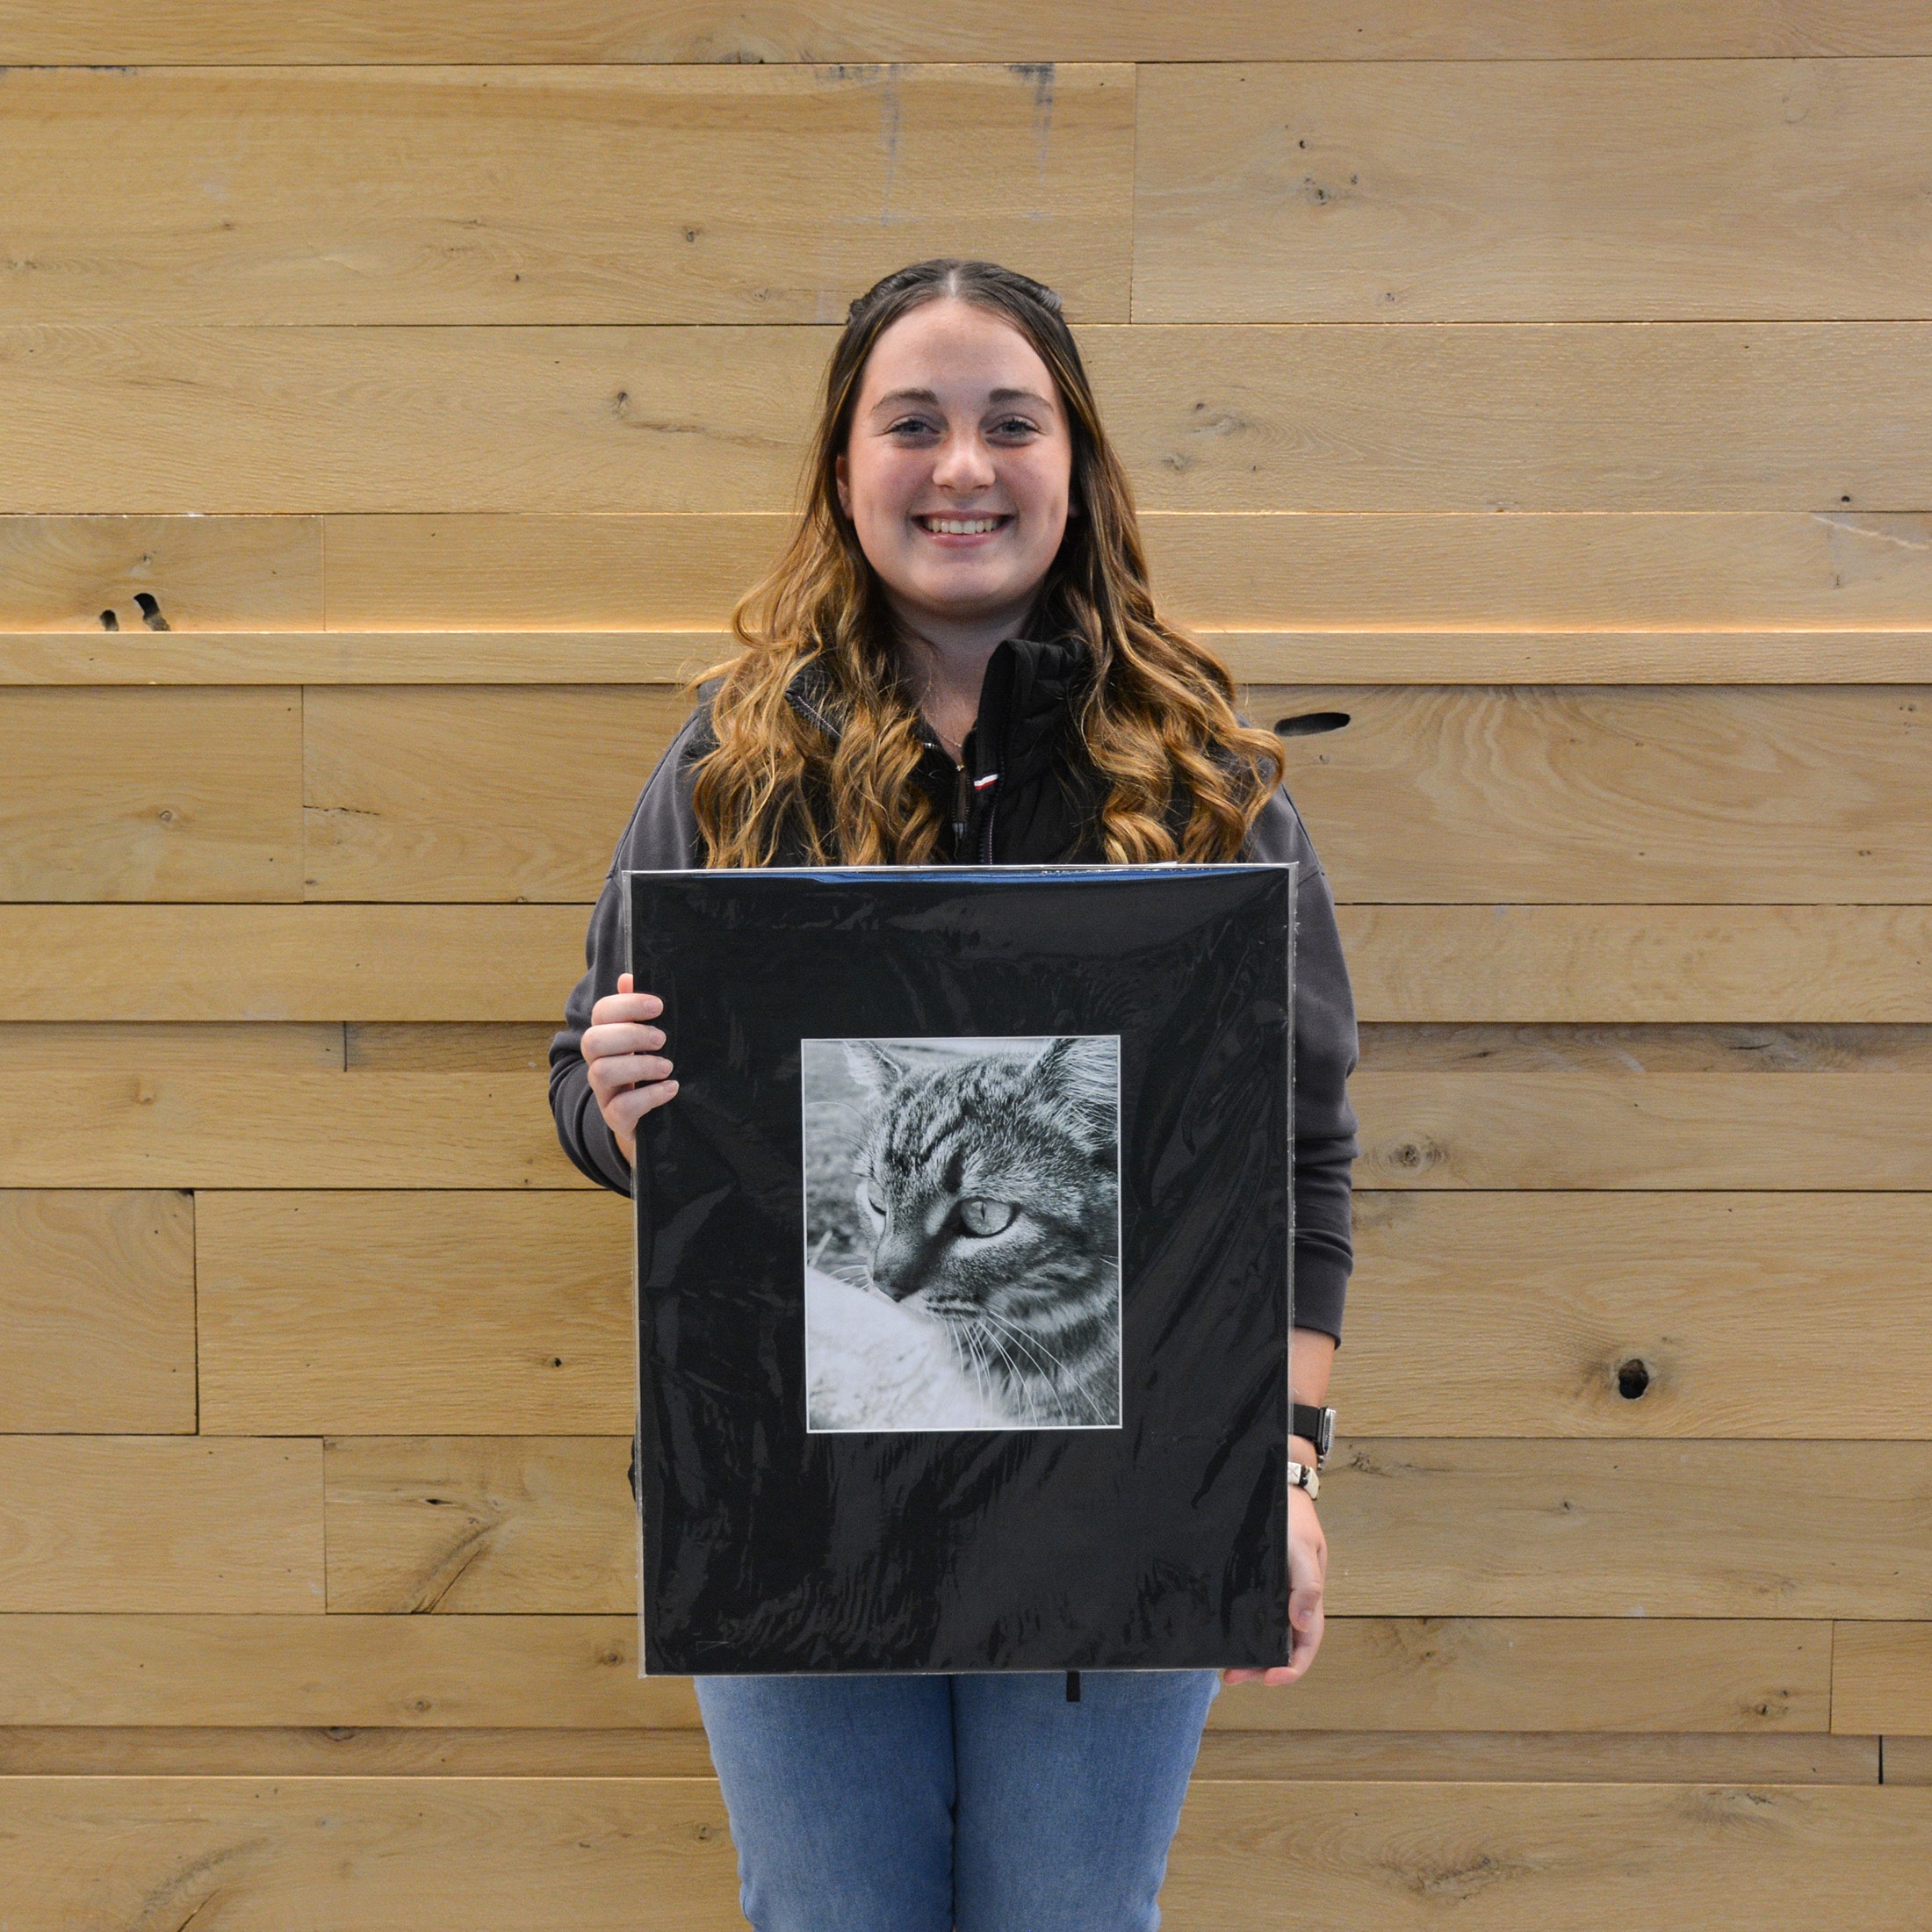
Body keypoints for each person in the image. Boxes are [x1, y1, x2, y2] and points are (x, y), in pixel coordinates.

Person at [548, 257, 1359, 1932]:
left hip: (1124, 1497)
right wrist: (616, 1101)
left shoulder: (1209, 783)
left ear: (1080, 463)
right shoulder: (726, 763)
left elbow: (1299, 1159)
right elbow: (590, 1076)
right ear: (845, 470)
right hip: (786, 1485)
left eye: (1012, 423)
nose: (963, 468)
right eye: (910, 424)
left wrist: (1277, 1468)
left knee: (1071, 1916)